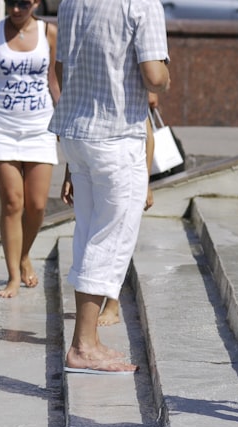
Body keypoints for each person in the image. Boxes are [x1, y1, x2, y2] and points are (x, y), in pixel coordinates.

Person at [49, 0, 169, 374]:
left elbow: (62, 69)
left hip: (77, 133)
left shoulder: (71, 2)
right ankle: (83, 345)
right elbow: (153, 76)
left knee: (87, 234)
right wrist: (166, 75)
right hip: (117, 136)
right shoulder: (141, 4)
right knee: (109, 239)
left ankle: (87, 341)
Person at [0, 0, 59, 299]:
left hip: (41, 127)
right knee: (12, 203)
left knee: (37, 205)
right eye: (9, 2)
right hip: (3, 128)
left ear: (35, 2)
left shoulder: (50, 32)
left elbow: (55, 83)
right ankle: (14, 275)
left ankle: (24, 253)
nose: (15, 9)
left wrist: (65, 123)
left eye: (21, 3)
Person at [63, 113, 156, 327]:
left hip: (125, 166)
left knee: (116, 240)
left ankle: (112, 305)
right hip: (90, 158)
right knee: (92, 235)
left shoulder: (131, 94)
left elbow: (149, 139)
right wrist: (69, 173)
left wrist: (146, 182)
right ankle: (93, 305)